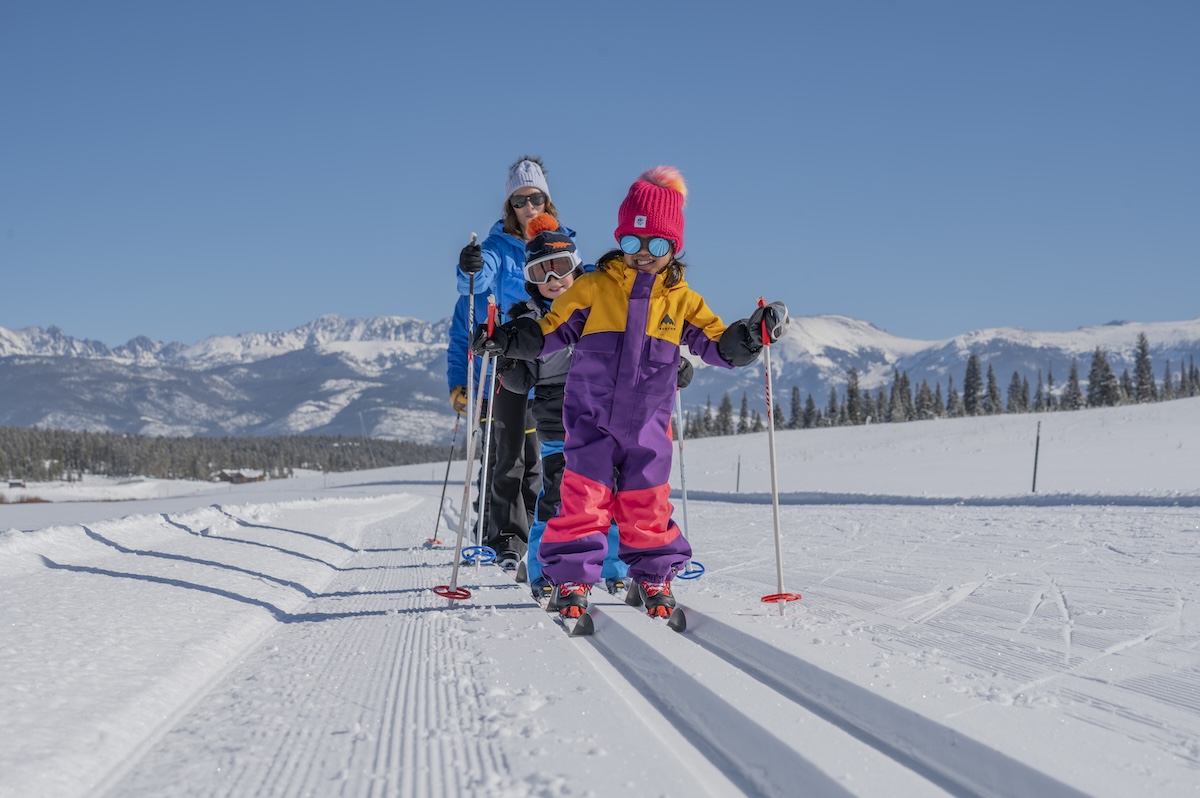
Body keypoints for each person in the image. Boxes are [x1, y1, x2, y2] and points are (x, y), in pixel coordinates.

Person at [472, 166, 789, 618]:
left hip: (647, 427)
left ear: (674, 247)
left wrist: (752, 335)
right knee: (581, 500)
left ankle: (654, 576)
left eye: (656, 245)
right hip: (590, 420)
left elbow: (719, 346)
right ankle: (572, 581)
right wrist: (504, 339)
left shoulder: (683, 301)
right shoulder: (593, 288)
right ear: (619, 239)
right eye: (632, 243)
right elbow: (546, 331)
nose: (642, 254)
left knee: (647, 504)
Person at [496, 212, 629, 600]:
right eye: (542, 273)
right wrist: (505, 360)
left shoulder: (601, 306)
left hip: (602, 413)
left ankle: (613, 567)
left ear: (577, 267)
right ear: (530, 279)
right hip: (556, 417)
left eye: (561, 269)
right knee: (556, 496)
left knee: (611, 491)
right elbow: (522, 382)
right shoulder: (528, 320)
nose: (554, 281)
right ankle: (543, 569)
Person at [447, 157, 568, 568]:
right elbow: (476, 286)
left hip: (556, 360)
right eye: (520, 200)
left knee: (546, 457)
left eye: (536, 197)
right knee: (508, 454)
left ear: (546, 200)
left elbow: (583, 289)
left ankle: (540, 532)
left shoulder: (564, 242)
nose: (529, 205)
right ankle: (505, 541)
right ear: (510, 206)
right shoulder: (498, 247)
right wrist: (473, 267)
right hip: (509, 362)